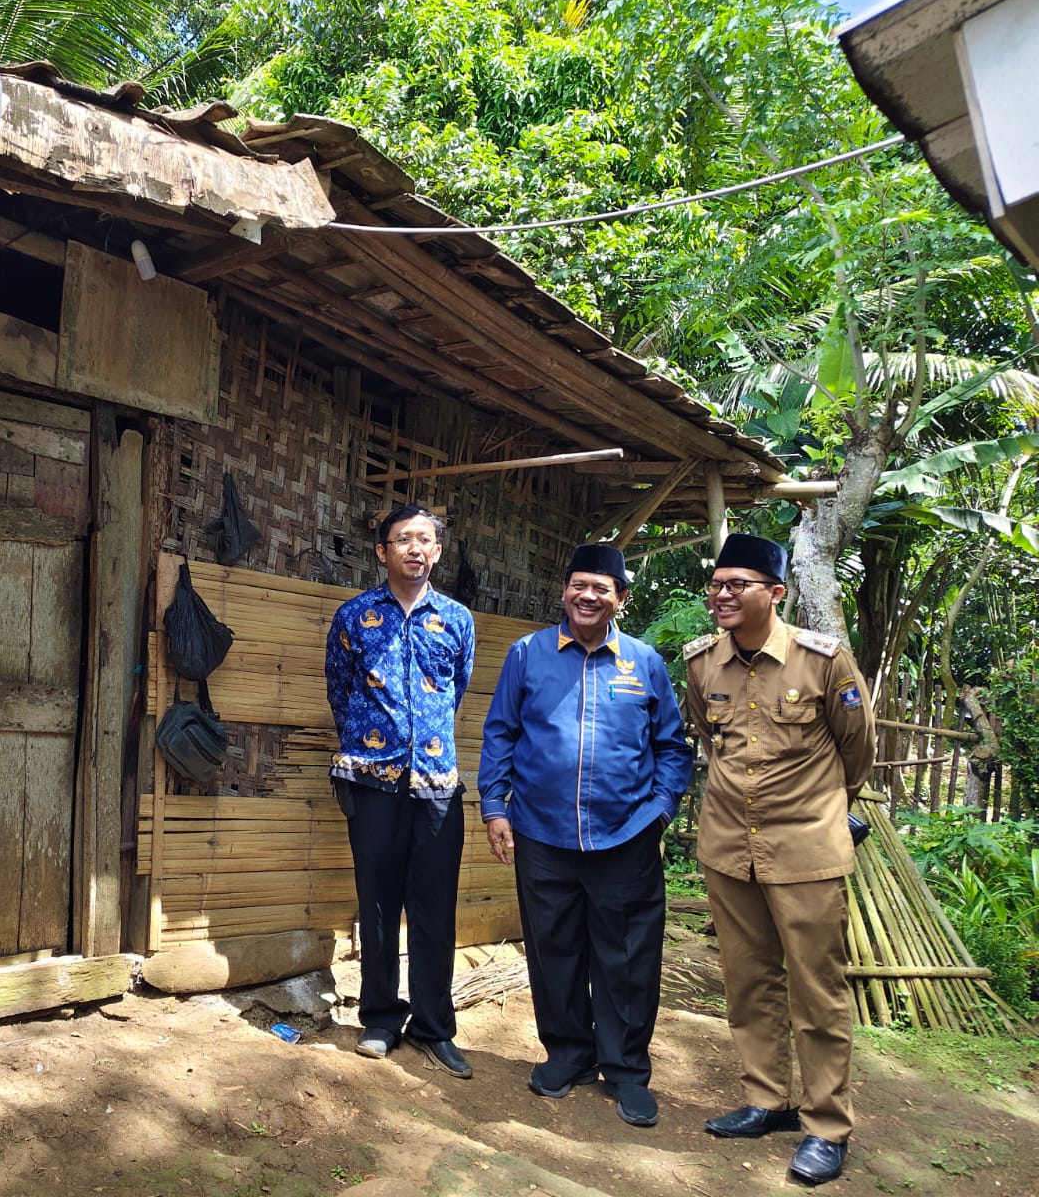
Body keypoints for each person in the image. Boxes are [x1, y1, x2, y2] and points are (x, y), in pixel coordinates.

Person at [476, 542, 693, 1128]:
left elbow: (672, 746)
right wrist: (495, 807)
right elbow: (500, 732)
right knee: (554, 948)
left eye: (601, 588)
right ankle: (569, 1054)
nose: (588, 596)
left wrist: (660, 810)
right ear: (564, 591)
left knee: (628, 956)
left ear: (620, 598)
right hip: (541, 833)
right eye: (579, 585)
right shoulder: (528, 654)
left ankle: (626, 1071)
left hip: (626, 836)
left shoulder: (644, 662)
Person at [684, 533, 876, 1186]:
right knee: (747, 980)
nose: (722, 594)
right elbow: (710, 737)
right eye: (717, 584)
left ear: (776, 593)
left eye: (737, 584)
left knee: (817, 990)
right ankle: (766, 1099)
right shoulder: (703, 663)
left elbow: (856, 751)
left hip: (806, 851)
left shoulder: (824, 660)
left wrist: (818, 811)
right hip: (728, 848)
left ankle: (827, 1126)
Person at [325, 504, 476, 1078]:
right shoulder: (354, 616)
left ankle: (434, 1026)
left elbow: (455, 691)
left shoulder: (457, 619)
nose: (415, 548)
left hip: (437, 783)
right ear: (382, 552)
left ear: (436, 551)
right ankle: (381, 1019)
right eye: (403, 539)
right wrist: (373, 744)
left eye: (425, 539)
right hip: (371, 779)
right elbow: (340, 691)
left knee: (435, 907)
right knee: (379, 902)